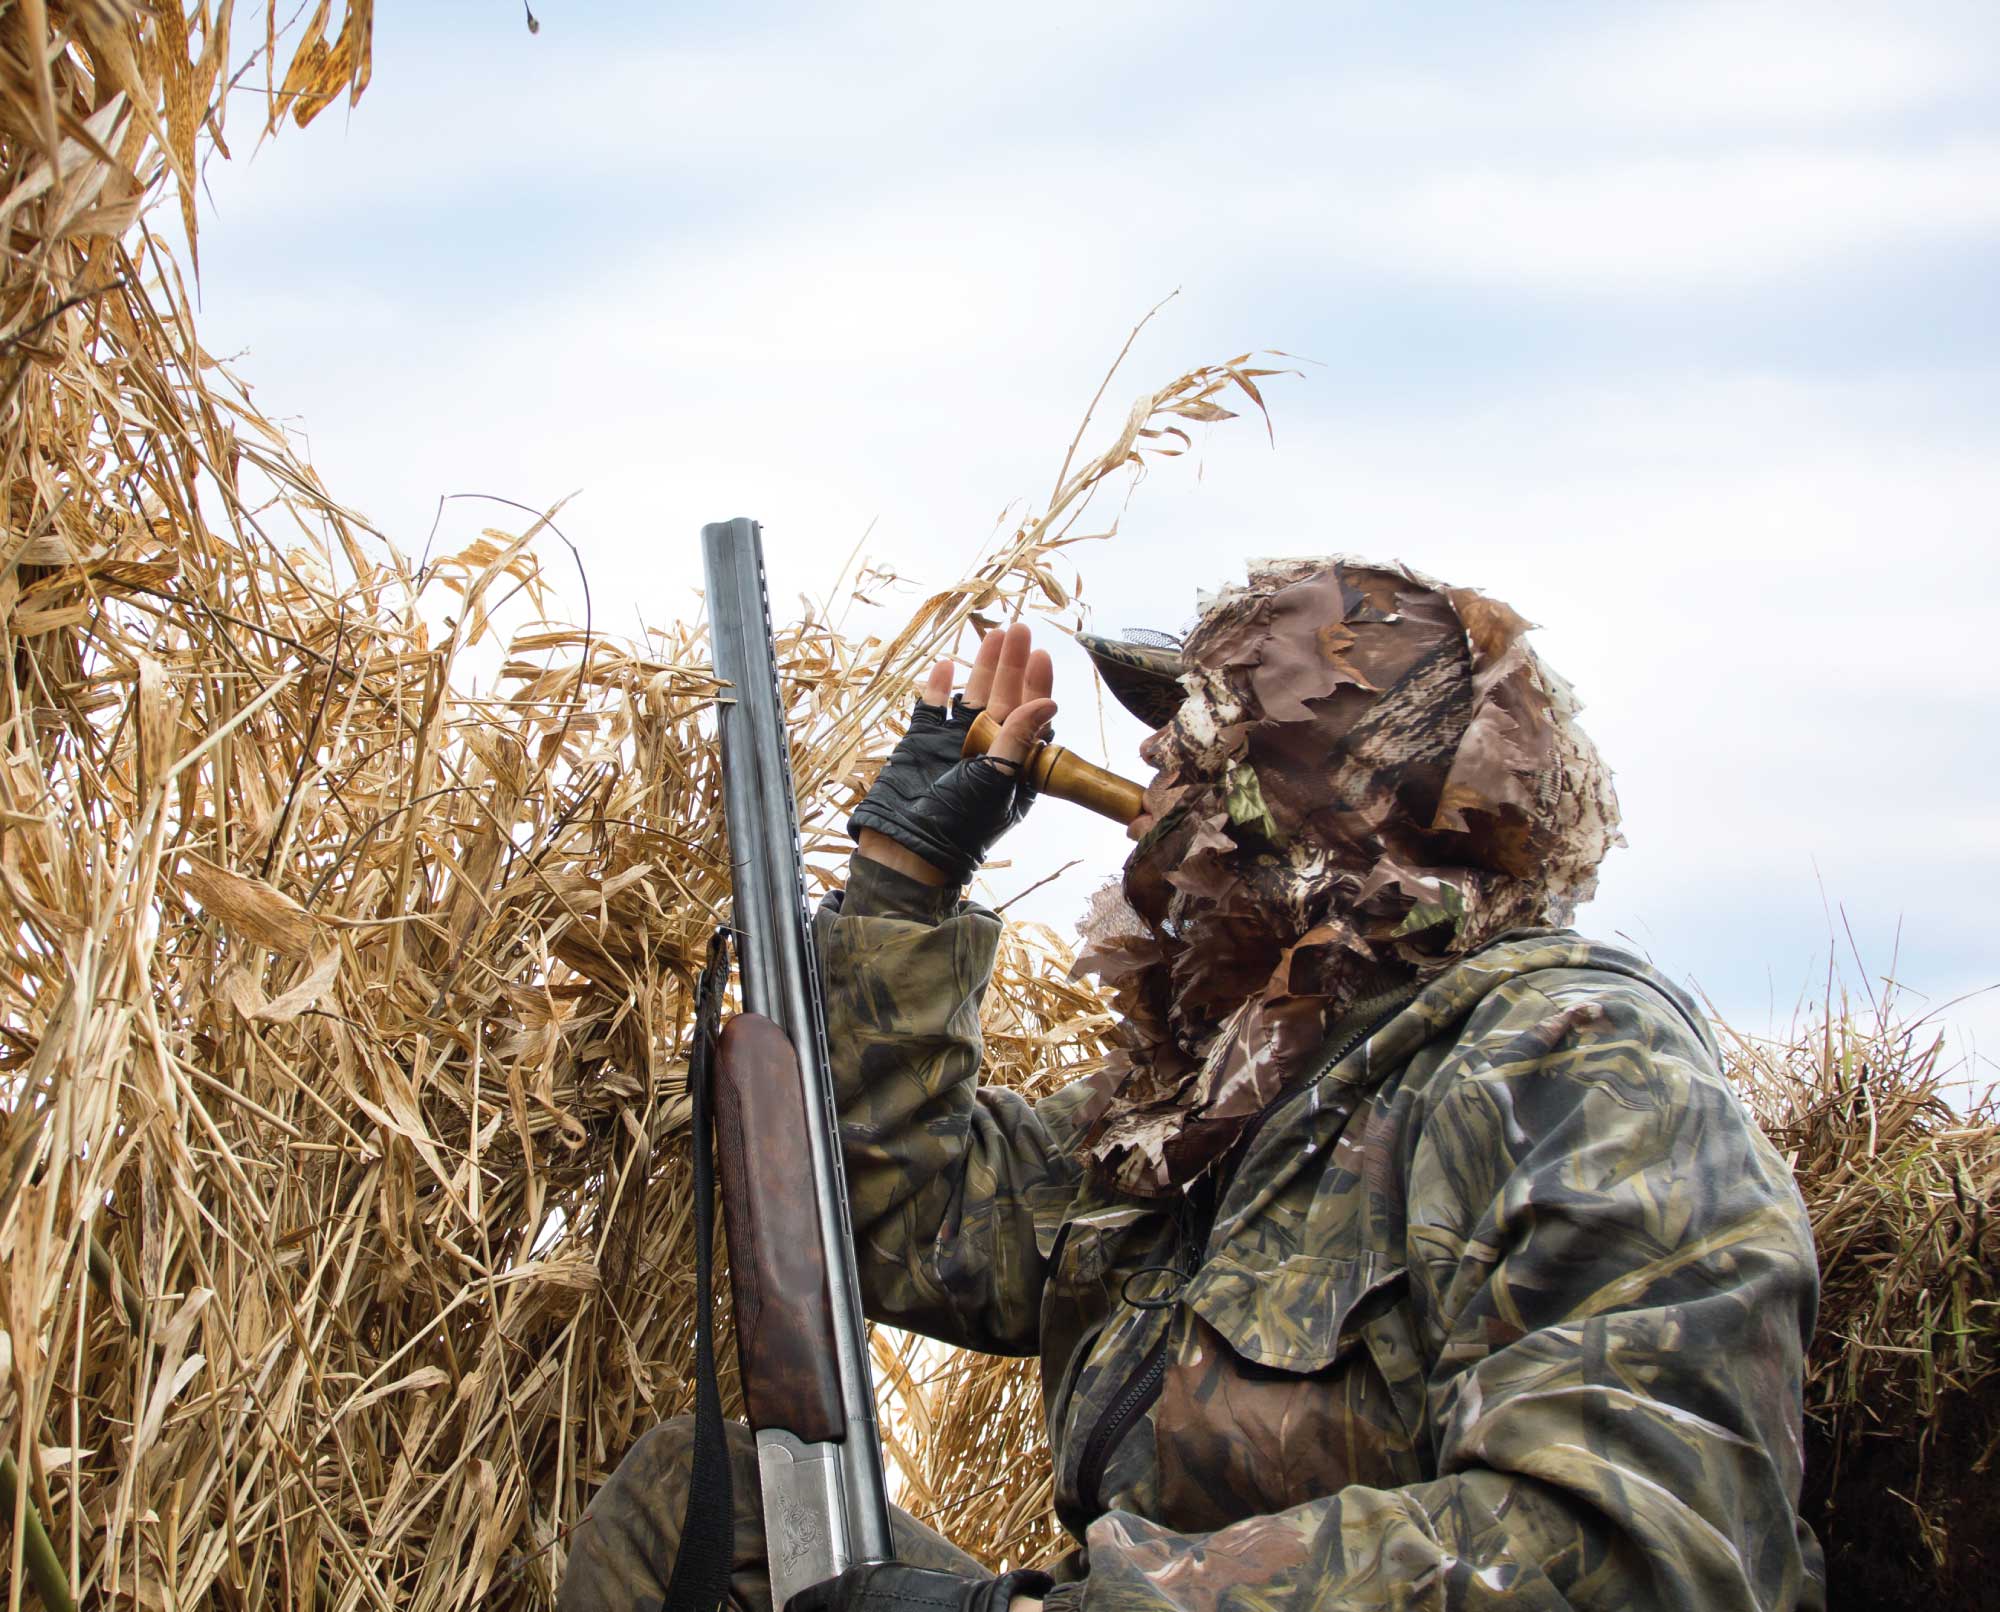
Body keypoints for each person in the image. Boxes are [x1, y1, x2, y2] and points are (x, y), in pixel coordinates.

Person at [562, 557, 1825, 1612]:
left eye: (1203, 746)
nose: (1157, 777)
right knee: (701, 1508)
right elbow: (892, 1228)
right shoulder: (1236, 1096)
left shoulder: (1573, 1068)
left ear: (1325, 804)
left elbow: (1646, 1553)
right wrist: (903, 879)